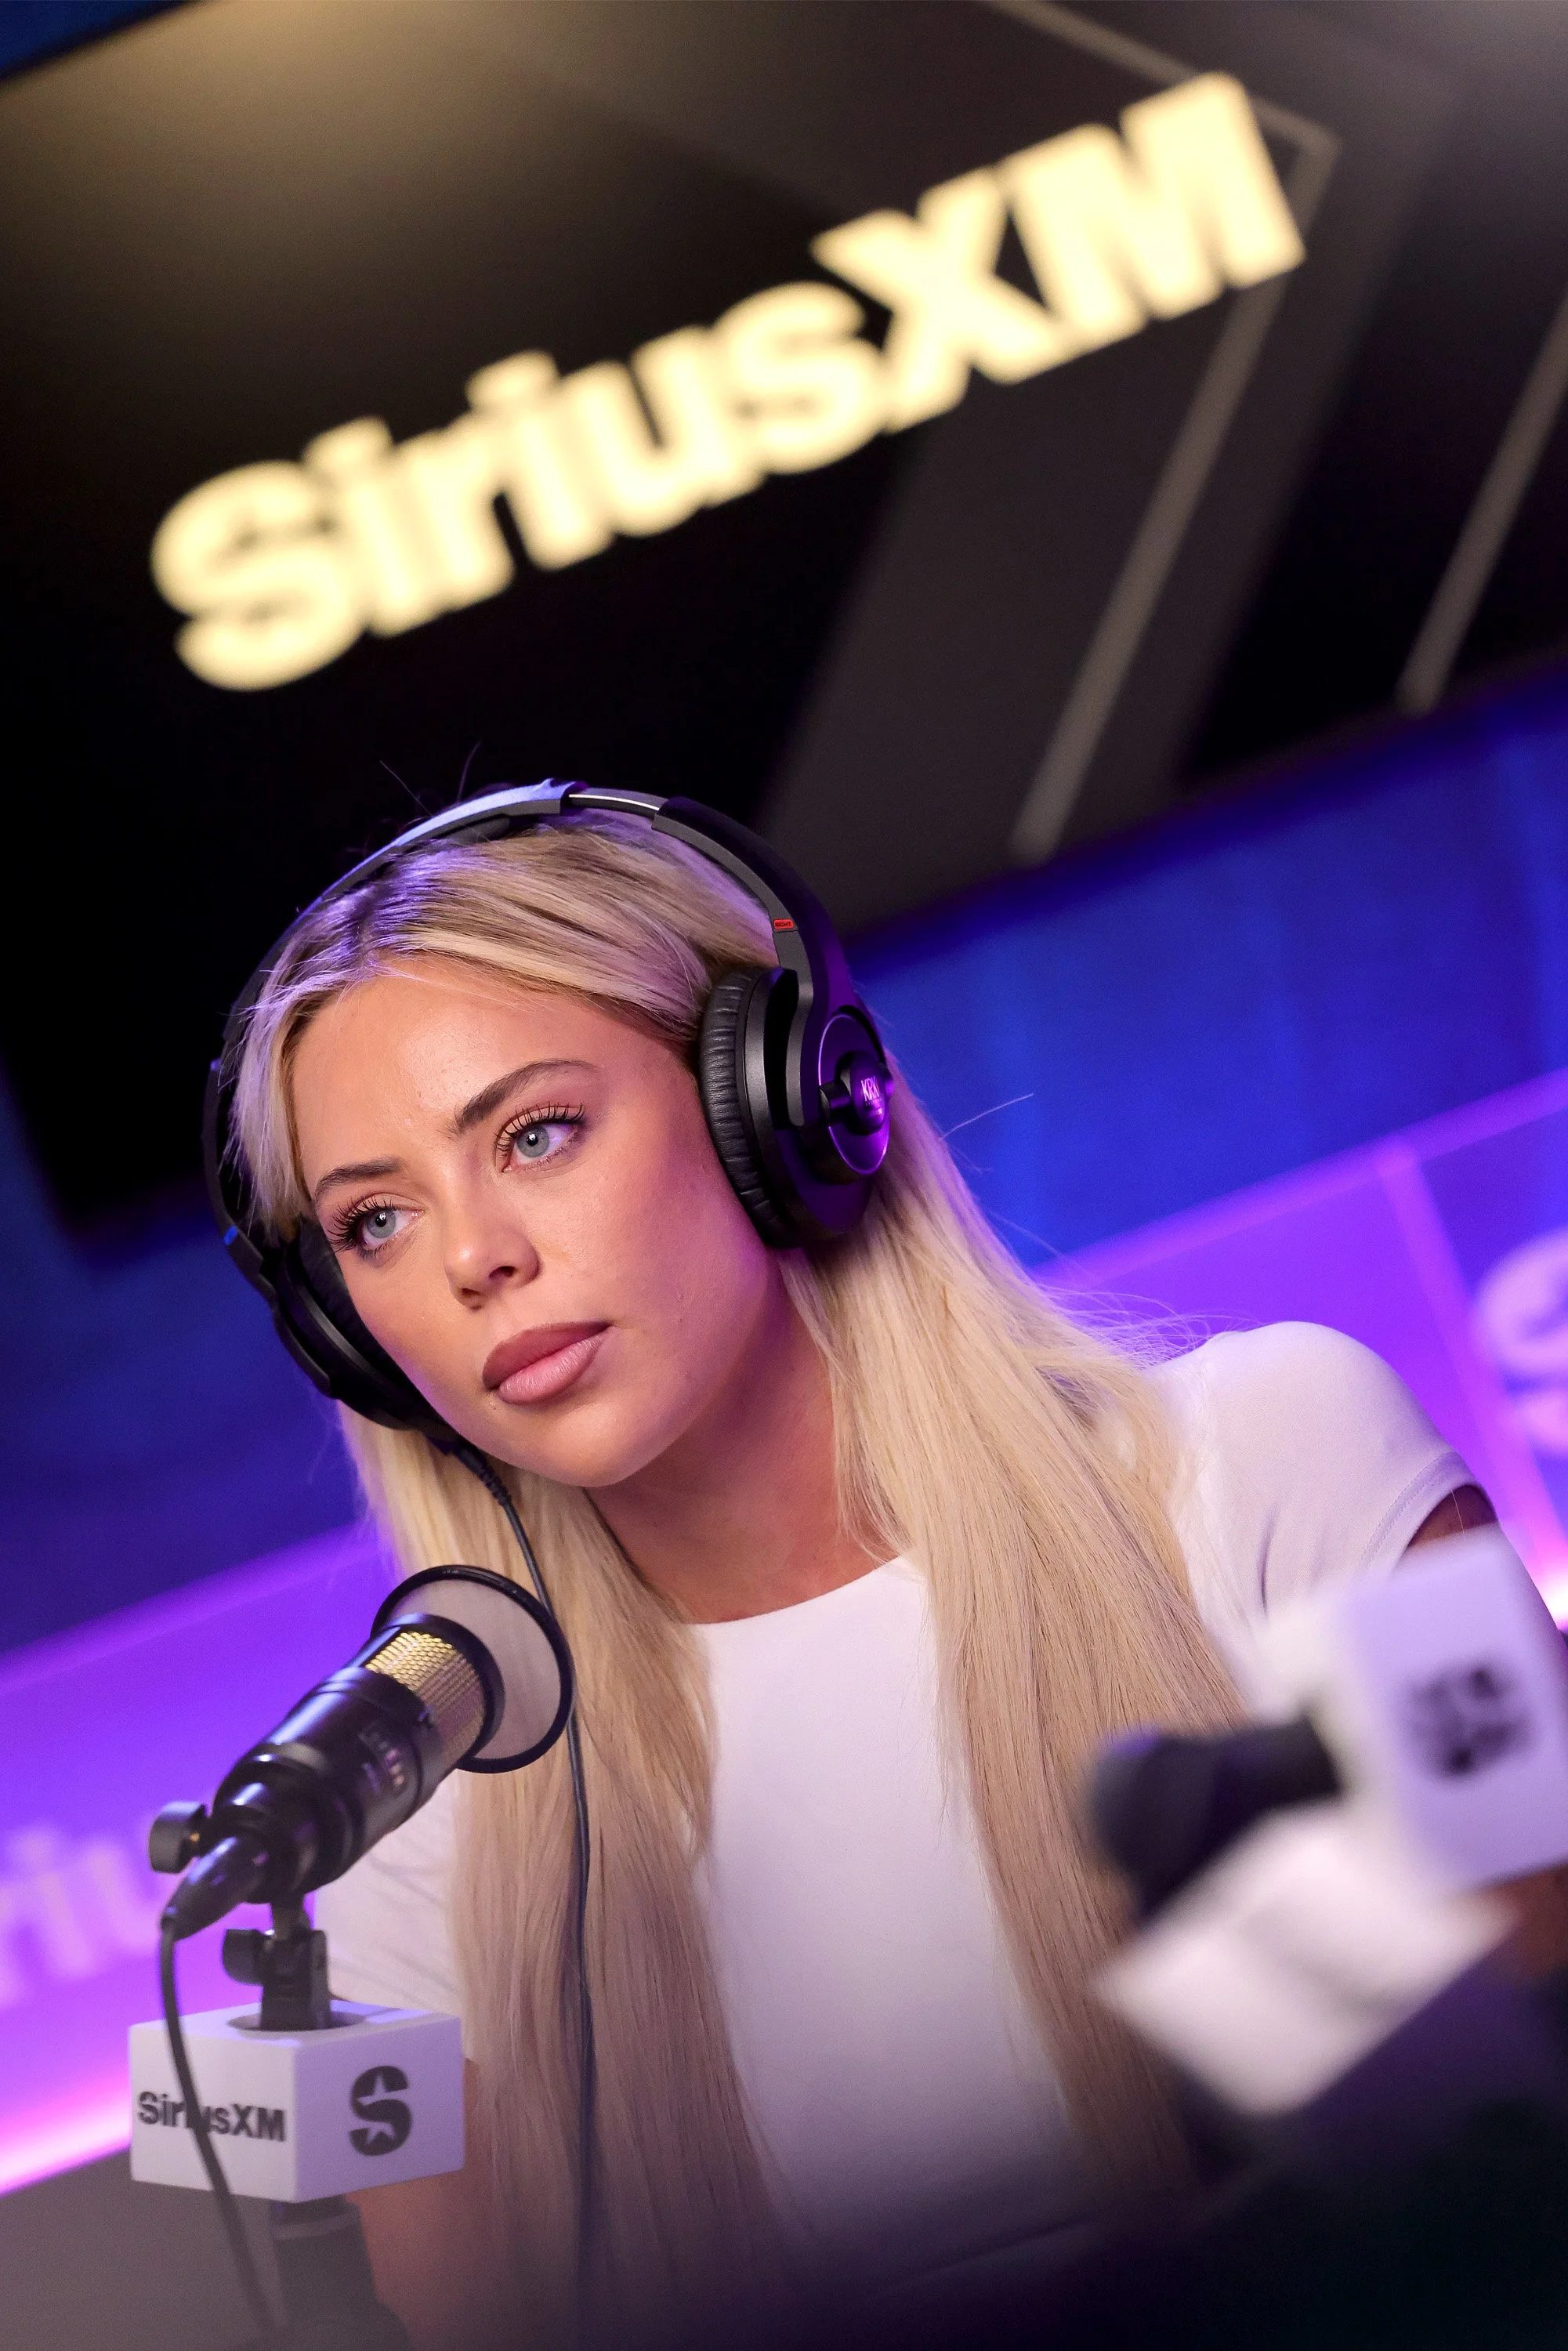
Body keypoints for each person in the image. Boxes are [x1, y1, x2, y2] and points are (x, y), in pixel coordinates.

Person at [227, 804, 1490, 2350]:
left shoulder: (1283, 1448)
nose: (472, 1257)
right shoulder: (380, 1821)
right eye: (375, 1220)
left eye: (535, 1134)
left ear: (778, 1102)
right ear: (343, 1332)